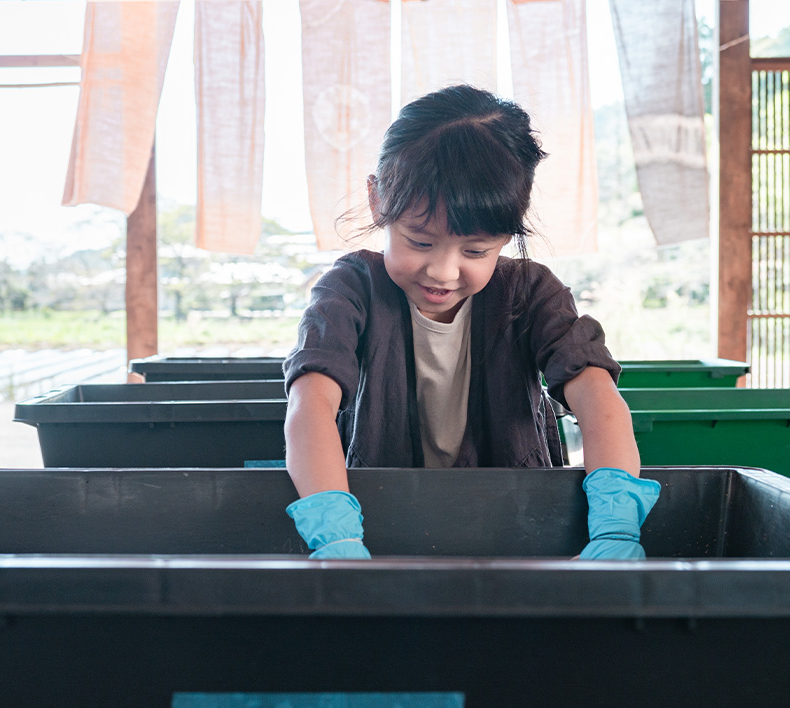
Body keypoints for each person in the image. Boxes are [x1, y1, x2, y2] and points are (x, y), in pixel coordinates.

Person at [282, 84, 660, 560]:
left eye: (475, 251)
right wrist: (333, 532)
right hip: (380, 526)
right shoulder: (350, 290)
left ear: (509, 231)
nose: (442, 271)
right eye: (419, 241)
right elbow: (310, 404)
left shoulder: (530, 293)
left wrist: (616, 524)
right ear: (379, 201)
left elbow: (596, 393)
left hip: (517, 525)